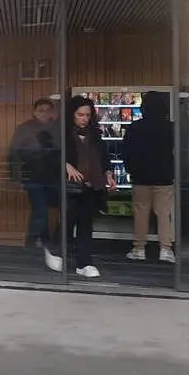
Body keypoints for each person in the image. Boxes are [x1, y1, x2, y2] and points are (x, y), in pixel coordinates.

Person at [63, 96, 116, 278]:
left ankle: (84, 263)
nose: (84, 119)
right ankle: (62, 256)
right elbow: (50, 155)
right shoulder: (63, 134)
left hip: (91, 185)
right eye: (80, 115)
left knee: (85, 225)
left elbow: (104, 156)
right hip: (70, 187)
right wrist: (65, 164)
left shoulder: (95, 134)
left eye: (87, 115)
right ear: (71, 115)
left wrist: (108, 173)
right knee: (67, 224)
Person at [122, 91, 176, 263]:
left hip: (140, 177)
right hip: (164, 176)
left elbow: (126, 152)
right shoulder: (171, 128)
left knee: (141, 212)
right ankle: (165, 250)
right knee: (163, 213)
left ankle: (139, 248)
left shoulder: (134, 128)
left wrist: (131, 170)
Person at [7, 99, 59, 261]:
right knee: (40, 208)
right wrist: (15, 177)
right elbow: (14, 153)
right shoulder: (25, 128)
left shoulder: (57, 128)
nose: (44, 113)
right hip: (31, 174)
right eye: (40, 110)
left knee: (43, 209)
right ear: (34, 112)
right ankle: (31, 241)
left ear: (52, 112)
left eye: (47, 110)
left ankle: (44, 240)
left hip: (52, 175)